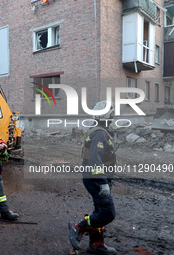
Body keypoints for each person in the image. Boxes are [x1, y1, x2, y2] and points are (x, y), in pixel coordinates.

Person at [69, 101, 117, 255]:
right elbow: (95, 161)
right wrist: (103, 183)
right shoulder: (99, 133)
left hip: (99, 178)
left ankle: (96, 244)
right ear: (107, 115)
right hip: (96, 179)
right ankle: (78, 226)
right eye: (112, 114)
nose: (114, 117)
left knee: (100, 210)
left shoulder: (100, 131)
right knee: (107, 213)